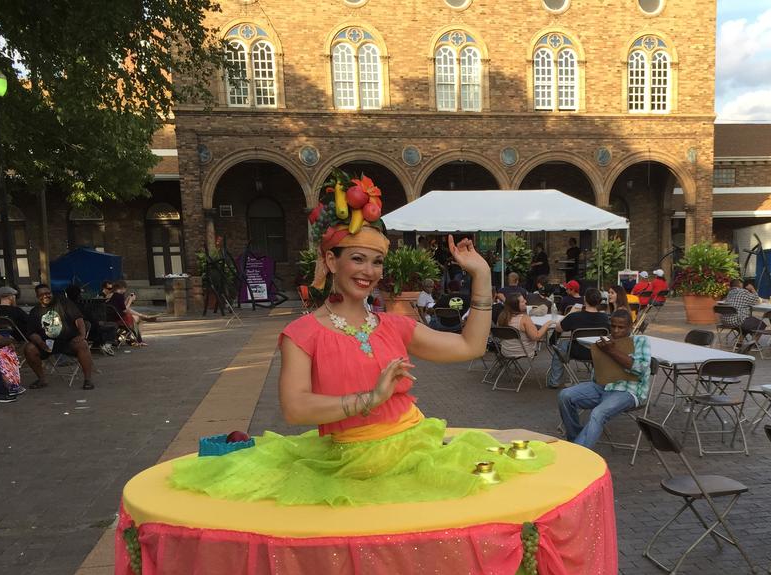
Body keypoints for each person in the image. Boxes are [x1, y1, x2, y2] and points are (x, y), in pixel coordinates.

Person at [169, 171, 553, 507]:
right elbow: (295, 408)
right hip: (351, 464)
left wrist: (481, 275)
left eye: (376, 261)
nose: (369, 271)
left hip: (416, 448)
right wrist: (370, 400)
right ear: (331, 262)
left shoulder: (393, 325)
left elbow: (468, 347)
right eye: (357, 259)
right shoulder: (301, 334)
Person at [558, 309, 651, 449]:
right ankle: (576, 441)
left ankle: (579, 453)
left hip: (627, 391)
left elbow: (641, 369)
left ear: (630, 327)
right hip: (602, 386)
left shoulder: (640, 340)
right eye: (613, 326)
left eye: (621, 327)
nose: (616, 330)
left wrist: (612, 351)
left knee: (598, 413)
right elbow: (598, 373)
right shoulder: (605, 340)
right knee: (565, 396)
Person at [24, 283, 96, 389]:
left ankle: (88, 380)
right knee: (29, 348)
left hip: (68, 341)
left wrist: (82, 335)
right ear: (37, 297)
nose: (45, 296)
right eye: (42, 294)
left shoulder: (63, 303)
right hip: (47, 344)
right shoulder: (35, 311)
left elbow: (79, 319)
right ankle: (41, 379)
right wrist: (40, 343)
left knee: (82, 344)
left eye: (48, 293)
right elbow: (32, 333)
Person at [546, 287, 609, 387]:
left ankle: (555, 381)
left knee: (562, 344)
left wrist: (570, 313)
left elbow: (558, 329)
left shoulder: (574, 316)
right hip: (599, 351)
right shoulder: (605, 318)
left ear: (585, 300)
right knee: (566, 343)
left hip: (578, 351)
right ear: (599, 301)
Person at [496, 293, 553, 359]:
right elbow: (536, 337)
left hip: (505, 351)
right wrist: (547, 324)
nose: (526, 301)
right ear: (516, 305)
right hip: (523, 351)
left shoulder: (501, 317)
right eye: (523, 301)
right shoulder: (524, 319)